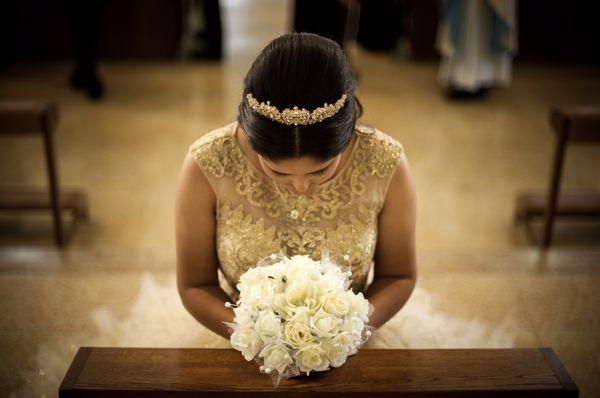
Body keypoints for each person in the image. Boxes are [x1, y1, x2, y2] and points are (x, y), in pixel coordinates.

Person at [175, 32, 417, 343]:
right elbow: (195, 284)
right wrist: (258, 337)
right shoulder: (208, 164)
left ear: (346, 134)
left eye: (321, 170)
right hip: (237, 337)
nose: (301, 187)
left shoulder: (385, 163)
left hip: (354, 339)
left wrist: (343, 335)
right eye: (277, 170)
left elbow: (397, 276)